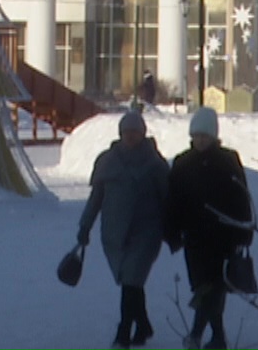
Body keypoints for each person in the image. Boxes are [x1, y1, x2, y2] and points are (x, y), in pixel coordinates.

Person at [78, 109, 170, 348]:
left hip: (146, 232)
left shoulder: (154, 163)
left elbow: (169, 198)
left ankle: (123, 333)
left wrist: (174, 228)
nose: (130, 136)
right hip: (115, 234)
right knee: (131, 282)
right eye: (126, 132)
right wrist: (84, 226)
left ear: (142, 133)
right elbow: (96, 198)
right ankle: (143, 325)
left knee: (131, 280)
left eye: (135, 132)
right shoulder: (107, 161)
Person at [165, 106, 253, 350]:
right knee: (203, 287)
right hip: (194, 237)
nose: (200, 140)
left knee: (213, 286)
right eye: (196, 135)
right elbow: (173, 200)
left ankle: (198, 335)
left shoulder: (227, 161)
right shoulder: (183, 164)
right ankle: (217, 338)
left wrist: (244, 232)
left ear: (214, 136)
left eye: (205, 135)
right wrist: (171, 231)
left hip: (223, 236)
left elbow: (241, 198)